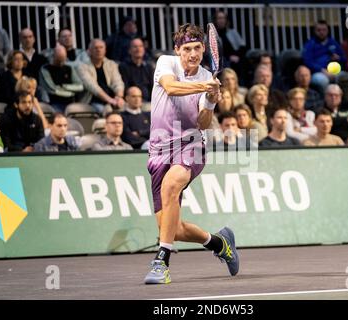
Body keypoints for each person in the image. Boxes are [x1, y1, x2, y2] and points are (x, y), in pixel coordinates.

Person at [145, 23, 239, 285]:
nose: (193, 53)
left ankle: (161, 261)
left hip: (191, 146)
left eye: (198, 48)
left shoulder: (207, 76)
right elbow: (171, 88)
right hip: (158, 150)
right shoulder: (166, 63)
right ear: (178, 50)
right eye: (187, 48)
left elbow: (204, 123)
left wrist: (211, 99)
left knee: (172, 185)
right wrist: (204, 87)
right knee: (172, 229)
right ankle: (220, 243)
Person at [77, 39, 125, 114]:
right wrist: (110, 100)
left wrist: (119, 97)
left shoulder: (111, 64)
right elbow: (93, 87)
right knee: (107, 111)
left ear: (105, 50)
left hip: (112, 99)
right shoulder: (82, 66)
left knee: (127, 109)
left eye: (101, 47)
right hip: (92, 100)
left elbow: (117, 82)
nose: (98, 50)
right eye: (95, 48)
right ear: (89, 51)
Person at [302, 20, 347, 95]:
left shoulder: (333, 42)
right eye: (319, 30)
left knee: (345, 77)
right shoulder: (310, 44)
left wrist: (338, 58)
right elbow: (307, 61)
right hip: (318, 72)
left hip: (335, 70)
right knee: (323, 80)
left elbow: (344, 58)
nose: (321, 32)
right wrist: (322, 70)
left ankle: (343, 101)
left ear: (328, 30)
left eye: (324, 30)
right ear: (314, 31)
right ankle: (326, 101)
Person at [39, 44, 84, 112]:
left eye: (63, 60)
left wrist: (64, 86)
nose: (61, 63)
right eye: (59, 60)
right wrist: (71, 92)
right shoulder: (45, 69)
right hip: (54, 103)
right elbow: (52, 89)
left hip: (72, 103)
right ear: (53, 56)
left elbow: (80, 86)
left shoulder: (69, 68)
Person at [118, 37, 154, 102]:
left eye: (140, 46)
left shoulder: (149, 67)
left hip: (149, 102)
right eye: (135, 47)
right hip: (132, 102)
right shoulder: (123, 67)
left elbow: (153, 86)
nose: (138, 49)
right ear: (129, 50)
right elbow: (125, 88)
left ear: (144, 49)